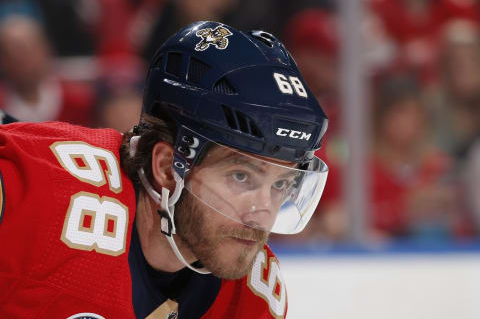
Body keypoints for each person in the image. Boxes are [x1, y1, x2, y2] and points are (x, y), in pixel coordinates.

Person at [0, 21, 329, 318]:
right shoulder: (39, 195)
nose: (261, 215)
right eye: (241, 176)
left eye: (281, 184)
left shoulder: (251, 297)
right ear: (167, 168)